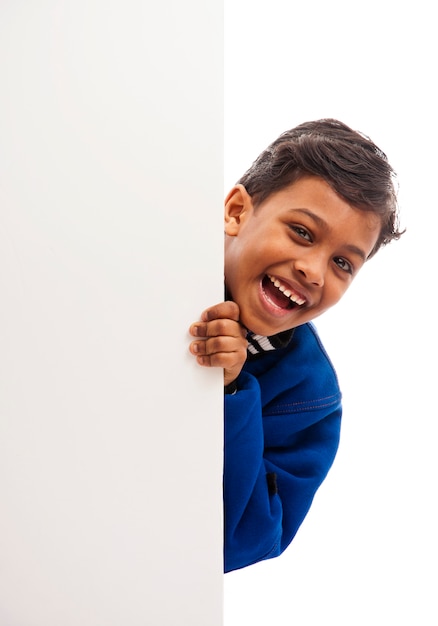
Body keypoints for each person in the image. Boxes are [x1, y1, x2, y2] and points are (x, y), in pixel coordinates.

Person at [188, 119, 403, 573]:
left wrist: (230, 391)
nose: (314, 271)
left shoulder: (313, 398)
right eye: (303, 232)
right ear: (236, 211)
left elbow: (241, 541)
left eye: (343, 262)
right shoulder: (149, 263)